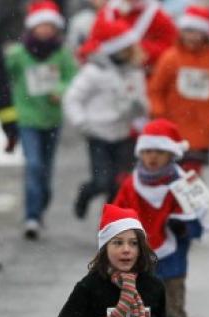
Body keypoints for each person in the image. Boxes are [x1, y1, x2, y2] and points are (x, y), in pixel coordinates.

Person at [112, 119, 207, 317]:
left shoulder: (185, 182)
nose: (152, 157)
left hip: (171, 265)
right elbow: (115, 219)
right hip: (137, 266)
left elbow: (200, 219)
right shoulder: (131, 183)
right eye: (147, 151)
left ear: (170, 154)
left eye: (158, 152)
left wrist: (184, 227)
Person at [4, 1, 77, 240]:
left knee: (45, 170)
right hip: (27, 118)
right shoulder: (19, 54)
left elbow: (71, 77)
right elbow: (4, 76)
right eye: (41, 26)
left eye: (49, 26)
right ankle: (31, 217)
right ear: (32, 27)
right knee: (33, 165)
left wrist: (60, 88)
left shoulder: (61, 53)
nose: (45, 30)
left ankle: (41, 203)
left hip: (52, 119)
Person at [65, 18, 148, 220]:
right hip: (98, 134)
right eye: (127, 49)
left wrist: (139, 108)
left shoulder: (134, 73)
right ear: (118, 49)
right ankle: (86, 193)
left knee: (118, 184)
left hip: (124, 135)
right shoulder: (94, 72)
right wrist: (81, 123)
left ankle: (109, 227)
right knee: (102, 181)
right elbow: (72, 98)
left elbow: (143, 105)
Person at [148, 5, 209, 173]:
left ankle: (190, 200)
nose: (192, 37)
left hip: (201, 132)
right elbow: (156, 90)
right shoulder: (170, 58)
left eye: (196, 32)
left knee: (191, 175)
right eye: (188, 31)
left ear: (205, 33)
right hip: (172, 129)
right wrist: (158, 113)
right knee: (170, 176)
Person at [97, 0, 178, 75]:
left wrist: (142, 48)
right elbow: (96, 39)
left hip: (144, 70)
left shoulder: (156, 14)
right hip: (111, 65)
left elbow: (170, 45)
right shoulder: (111, 11)